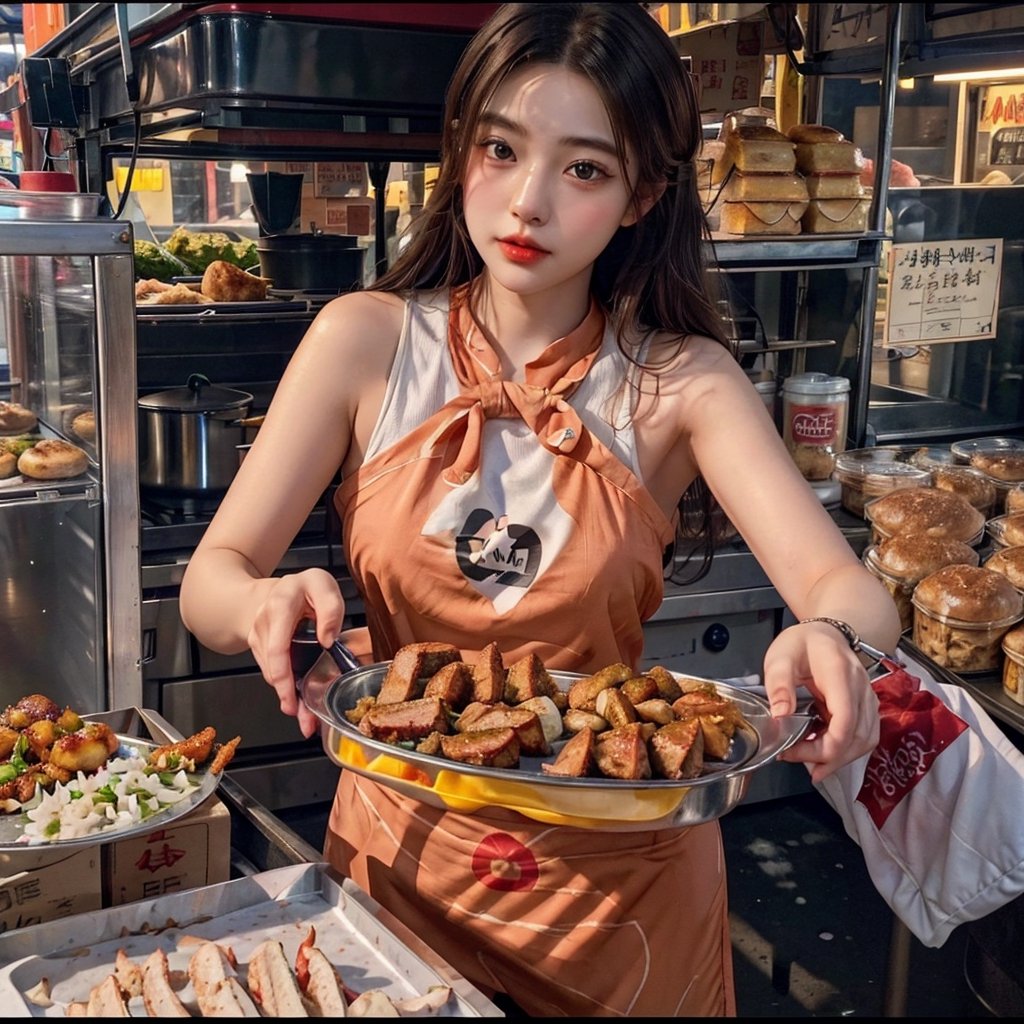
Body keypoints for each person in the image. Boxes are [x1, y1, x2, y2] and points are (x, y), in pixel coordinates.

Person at [180, 3, 901, 1015]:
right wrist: (265, 597)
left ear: (644, 194)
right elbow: (211, 582)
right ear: (459, 152)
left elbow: (851, 590)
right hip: (400, 865)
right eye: (500, 148)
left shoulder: (677, 384)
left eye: (585, 169)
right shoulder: (365, 341)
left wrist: (830, 637)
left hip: (621, 897)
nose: (527, 202)